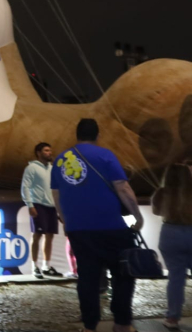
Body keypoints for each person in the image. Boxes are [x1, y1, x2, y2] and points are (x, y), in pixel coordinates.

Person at [51, 119, 143, 332]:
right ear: (97, 135)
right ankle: (121, 324)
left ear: (77, 135)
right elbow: (122, 188)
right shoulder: (105, 155)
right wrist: (137, 216)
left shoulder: (60, 160)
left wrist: (66, 221)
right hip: (111, 227)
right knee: (122, 275)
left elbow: (56, 195)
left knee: (87, 279)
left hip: (79, 230)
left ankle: (90, 325)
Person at [152, 163, 192, 330]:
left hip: (170, 234)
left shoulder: (161, 193)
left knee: (176, 278)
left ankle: (172, 318)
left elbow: (156, 212)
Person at [21, 142, 61, 278]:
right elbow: (25, 187)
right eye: (46, 150)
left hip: (51, 205)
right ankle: (34, 266)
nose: (49, 153)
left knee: (50, 235)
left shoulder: (52, 168)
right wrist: (30, 205)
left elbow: (57, 188)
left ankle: (46, 266)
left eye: (50, 150)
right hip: (38, 204)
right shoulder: (31, 168)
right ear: (38, 153)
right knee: (37, 235)